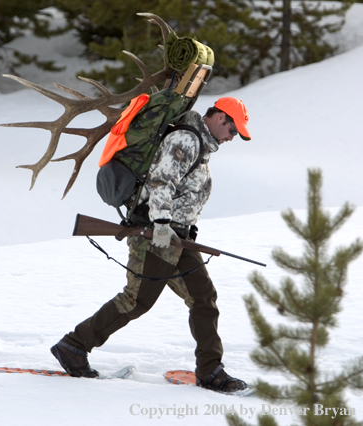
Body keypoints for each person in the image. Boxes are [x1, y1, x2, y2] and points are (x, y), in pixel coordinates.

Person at [51, 97, 252, 393]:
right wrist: (159, 225)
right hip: (157, 234)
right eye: (234, 130)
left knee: (203, 297)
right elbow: (161, 182)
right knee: (136, 300)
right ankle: (74, 346)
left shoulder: (200, 143)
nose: (233, 137)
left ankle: (211, 371)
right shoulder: (186, 138)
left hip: (177, 237)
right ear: (221, 118)